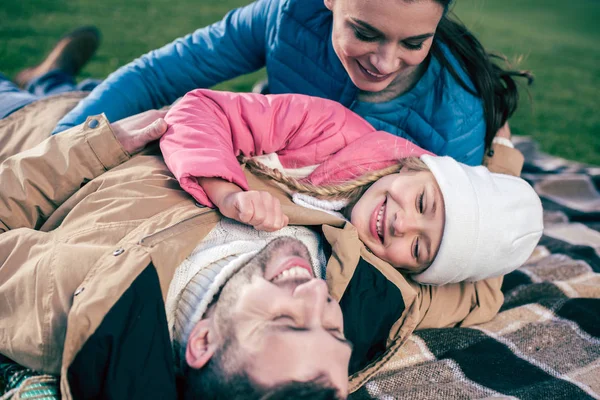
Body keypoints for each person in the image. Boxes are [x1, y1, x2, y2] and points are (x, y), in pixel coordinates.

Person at [1, 85, 539, 397]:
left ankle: (42, 75)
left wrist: (97, 146)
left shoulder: (64, 298)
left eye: (288, 320)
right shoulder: (371, 294)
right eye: (334, 329)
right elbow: (479, 285)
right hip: (166, 114)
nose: (317, 297)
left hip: (27, 130)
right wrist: (500, 159)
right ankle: (53, 72)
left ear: (203, 342)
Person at [45, 0, 531, 170]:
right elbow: (157, 74)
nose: (385, 62)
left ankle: (52, 78)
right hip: (254, 139)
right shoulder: (287, 15)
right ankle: (52, 80)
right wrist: (58, 149)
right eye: (365, 33)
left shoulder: (457, 111)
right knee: (44, 117)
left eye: (414, 42)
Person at [160, 88, 543, 285]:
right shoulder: (329, 128)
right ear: (416, 167)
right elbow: (200, 108)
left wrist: (506, 164)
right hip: (165, 179)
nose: (402, 224)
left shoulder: (379, 271)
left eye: (418, 246)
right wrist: (228, 192)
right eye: (423, 202)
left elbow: (479, 292)